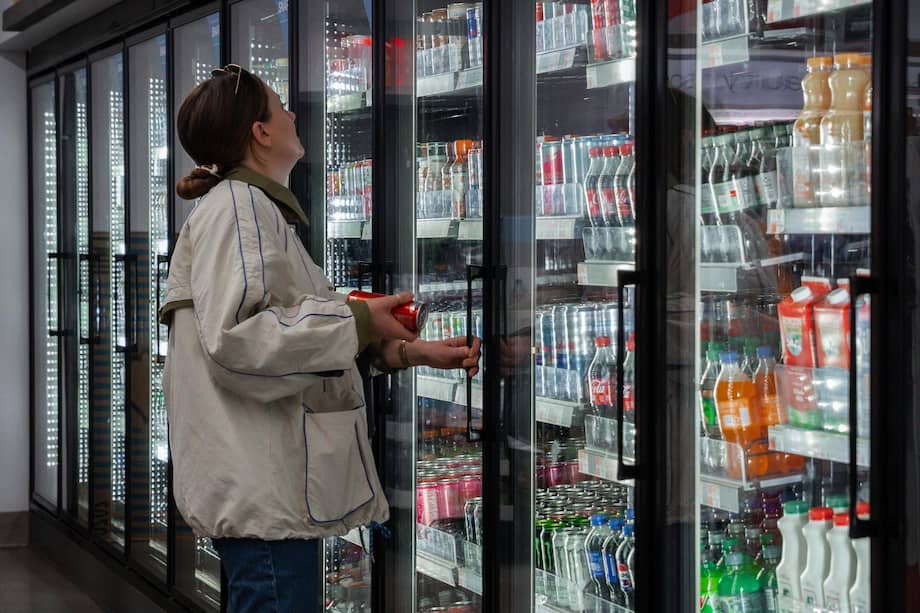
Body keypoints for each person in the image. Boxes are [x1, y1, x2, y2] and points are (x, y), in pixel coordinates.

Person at [160, 64, 481, 613]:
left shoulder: (252, 209)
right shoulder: (239, 209)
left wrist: (399, 348)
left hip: (267, 487)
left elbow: (286, 336)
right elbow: (239, 341)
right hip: (264, 493)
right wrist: (357, 322)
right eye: (280, 106)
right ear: (260, 133)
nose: (291, 114)